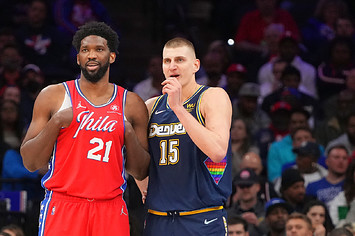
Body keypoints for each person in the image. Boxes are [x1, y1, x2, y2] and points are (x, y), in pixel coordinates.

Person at [20, 21, 150, 236]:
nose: (91, 55)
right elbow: (30, 162)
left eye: (99, 49)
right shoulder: (53, 96)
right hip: (63, 204)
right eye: (85, 50)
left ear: (111, 56)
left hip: (110, 207)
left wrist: (127, 133)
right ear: (78, 57)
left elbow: (141, 170)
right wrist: (57, 122)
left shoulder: (131, 103)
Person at [142, 37, 232, 235]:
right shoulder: (150, 107)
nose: (172, 66)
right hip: (159, 218)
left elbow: (217, 151)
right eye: (167, 61)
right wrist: (142, 184)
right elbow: (136, 154)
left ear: (195, 65)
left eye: (180, 60)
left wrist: (177, 108)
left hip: (202, 217)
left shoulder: (212, 97)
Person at [228, 168, 265, 236]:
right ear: (236, 188)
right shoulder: (228, 214)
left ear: (258, 187)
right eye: (241, 186)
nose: (245, 189)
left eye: (248, 185)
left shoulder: (267, 212)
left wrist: (259, 225)